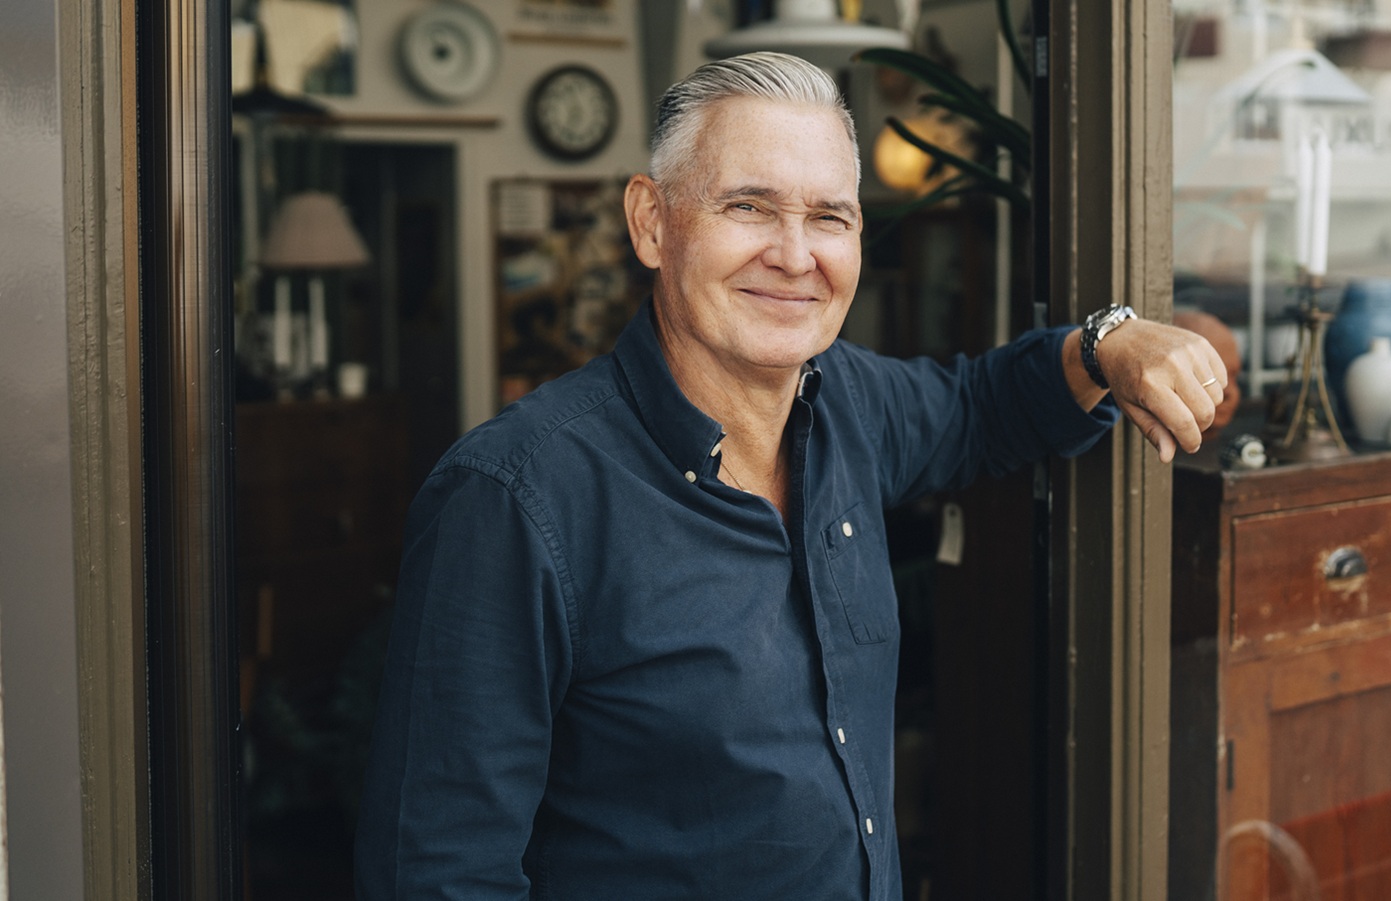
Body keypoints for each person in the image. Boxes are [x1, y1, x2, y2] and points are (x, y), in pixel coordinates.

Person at [355, 51, 1226, 900]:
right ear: (652, 222)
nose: (795, 253)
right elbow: (437, 871)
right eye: (749, 206)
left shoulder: (847, 400)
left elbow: (984, 405)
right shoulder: (512, 498)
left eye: (830, 217)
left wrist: (1112, 340)